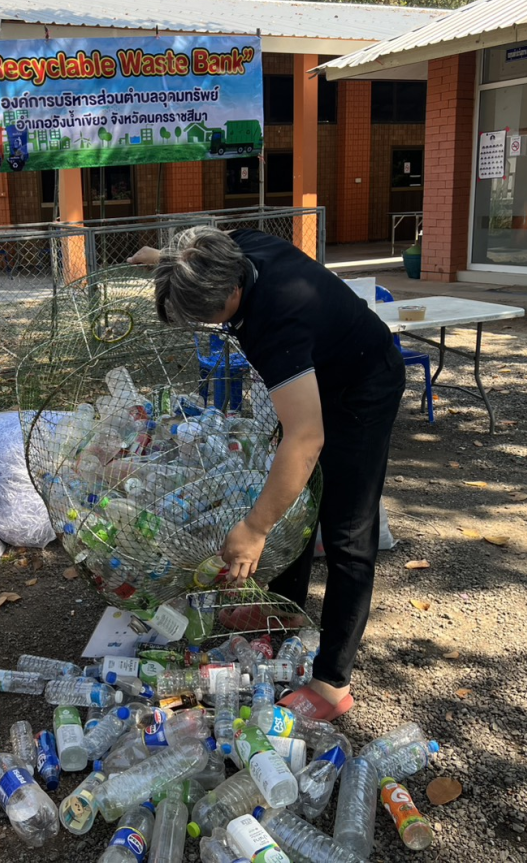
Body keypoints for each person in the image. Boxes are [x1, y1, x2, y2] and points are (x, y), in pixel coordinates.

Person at [131, 226, 405, 721]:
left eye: (207, 316)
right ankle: (282, 614)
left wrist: (255, 529)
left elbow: (306, 438)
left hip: (362, 384)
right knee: (294, 502)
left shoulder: (276, 323)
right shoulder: (235, 247)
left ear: (232, 293)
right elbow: (195, 256)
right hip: (317, 373)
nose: (205, 324)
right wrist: (164, 260)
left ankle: (332, 683)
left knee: (347, 534)